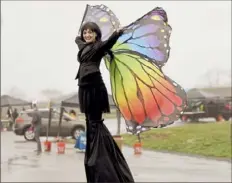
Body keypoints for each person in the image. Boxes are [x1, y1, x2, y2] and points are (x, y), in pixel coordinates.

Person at [75, 22, 134, 183]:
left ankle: (103, 163)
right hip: (84, 89)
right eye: (85, 32)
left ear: (96, 34)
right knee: (90, 124)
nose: (87, 35)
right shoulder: (82, 46)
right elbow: (77, 39)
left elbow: (109, 42)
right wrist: (79, 34)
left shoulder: (99, 47)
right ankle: (93, 158)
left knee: (95, 124)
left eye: (90, 32)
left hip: (95, 89)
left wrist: (117, 33)